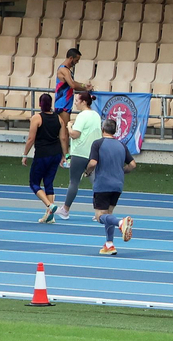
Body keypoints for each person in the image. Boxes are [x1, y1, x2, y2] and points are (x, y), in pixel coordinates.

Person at [85, 118, 136, 256]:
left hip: (103, 184)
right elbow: (132, 165)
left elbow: (93, 162)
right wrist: (122, 171)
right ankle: (109, 244)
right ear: (115, 131)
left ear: (103, 129)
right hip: (117, 184)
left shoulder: (97, 144)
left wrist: (87, 171)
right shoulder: (121, 145)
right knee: (108, 214)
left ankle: (121, 222)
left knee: (99, 216)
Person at [21, 92, 66, 223]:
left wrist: (25, 154)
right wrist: (65, 155)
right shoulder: (59, 118)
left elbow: (31, 138)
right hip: (56, 153)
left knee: (34, 183)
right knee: (48, 183)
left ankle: (49, 205)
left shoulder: (37, 118)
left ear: (40, 104)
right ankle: (49, 216)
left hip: (42, 154)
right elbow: (63, 137)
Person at [59, 90, 100, 220]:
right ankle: (99, 211)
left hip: (80, 153)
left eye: (77, 101)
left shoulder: (82, 116)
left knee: (74, 182)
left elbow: (75, 134)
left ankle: (65, 209)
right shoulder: (96, 115)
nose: (75, 103)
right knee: (96, 183)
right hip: (93, 153)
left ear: (83, 102)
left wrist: (69, 126)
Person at [54, 47, 83, 140]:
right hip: (62, 104)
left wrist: (83, 85)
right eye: (76, 60)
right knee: (65, 131)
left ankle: (63, 153)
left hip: (65, 103)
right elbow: (73, 85)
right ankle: (65, 154)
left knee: (63, 130)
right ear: (71, 58)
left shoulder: (67, 70)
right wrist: (85, 86)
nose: (77, 62)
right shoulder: (64, 70)